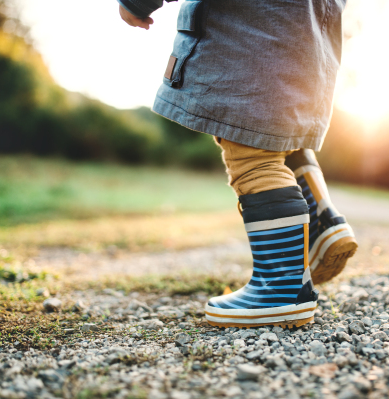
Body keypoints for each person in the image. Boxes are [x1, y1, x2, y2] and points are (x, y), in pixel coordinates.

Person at [118, 0, 357, 328]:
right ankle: (320, 222)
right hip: (312, 39)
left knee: (253, 155)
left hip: (252, 38)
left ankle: (282, 290)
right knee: (280, 138)